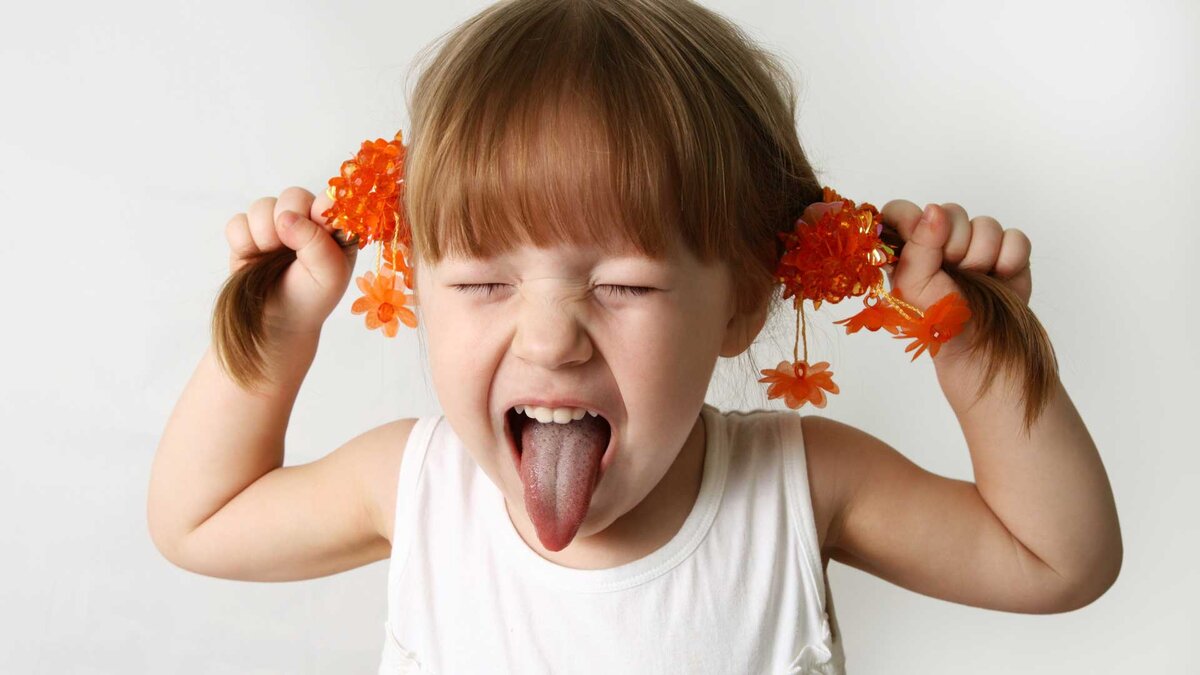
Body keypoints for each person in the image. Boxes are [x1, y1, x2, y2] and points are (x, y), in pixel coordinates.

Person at [146, 0, 1122, 672]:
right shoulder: (416, 488)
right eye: (483, 280)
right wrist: (279, 326)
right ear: (416, 283)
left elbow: (1060, 561)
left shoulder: (802, 483)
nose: (549, 338)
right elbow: (199, 518)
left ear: (741, 303)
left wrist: (977, 352)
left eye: (623, 283)